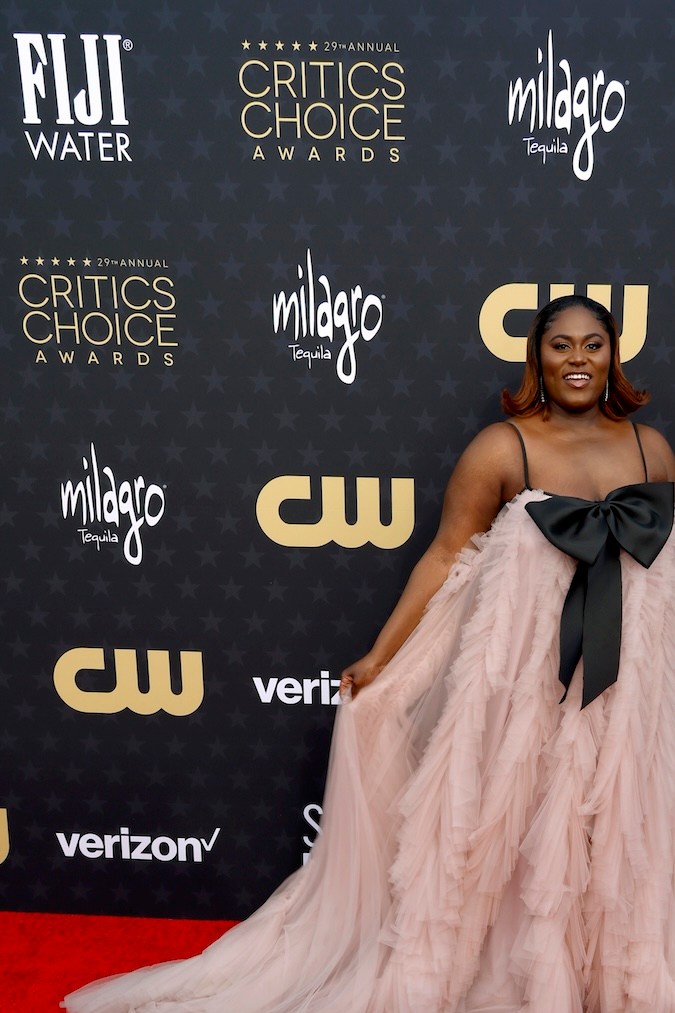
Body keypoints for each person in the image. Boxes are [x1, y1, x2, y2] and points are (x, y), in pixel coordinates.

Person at [63, 295, 675, 1013]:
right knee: (511, 824)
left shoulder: (650, 448)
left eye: (592, 343)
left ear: (613, 354)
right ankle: (518, 975)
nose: (576, 358)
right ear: (535, 358)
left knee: (607, 826)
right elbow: (447, 555)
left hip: (622, 687)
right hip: (522, 685)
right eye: (560, 345)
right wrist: (382, 653)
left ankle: (597, 975)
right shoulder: (499, 447)